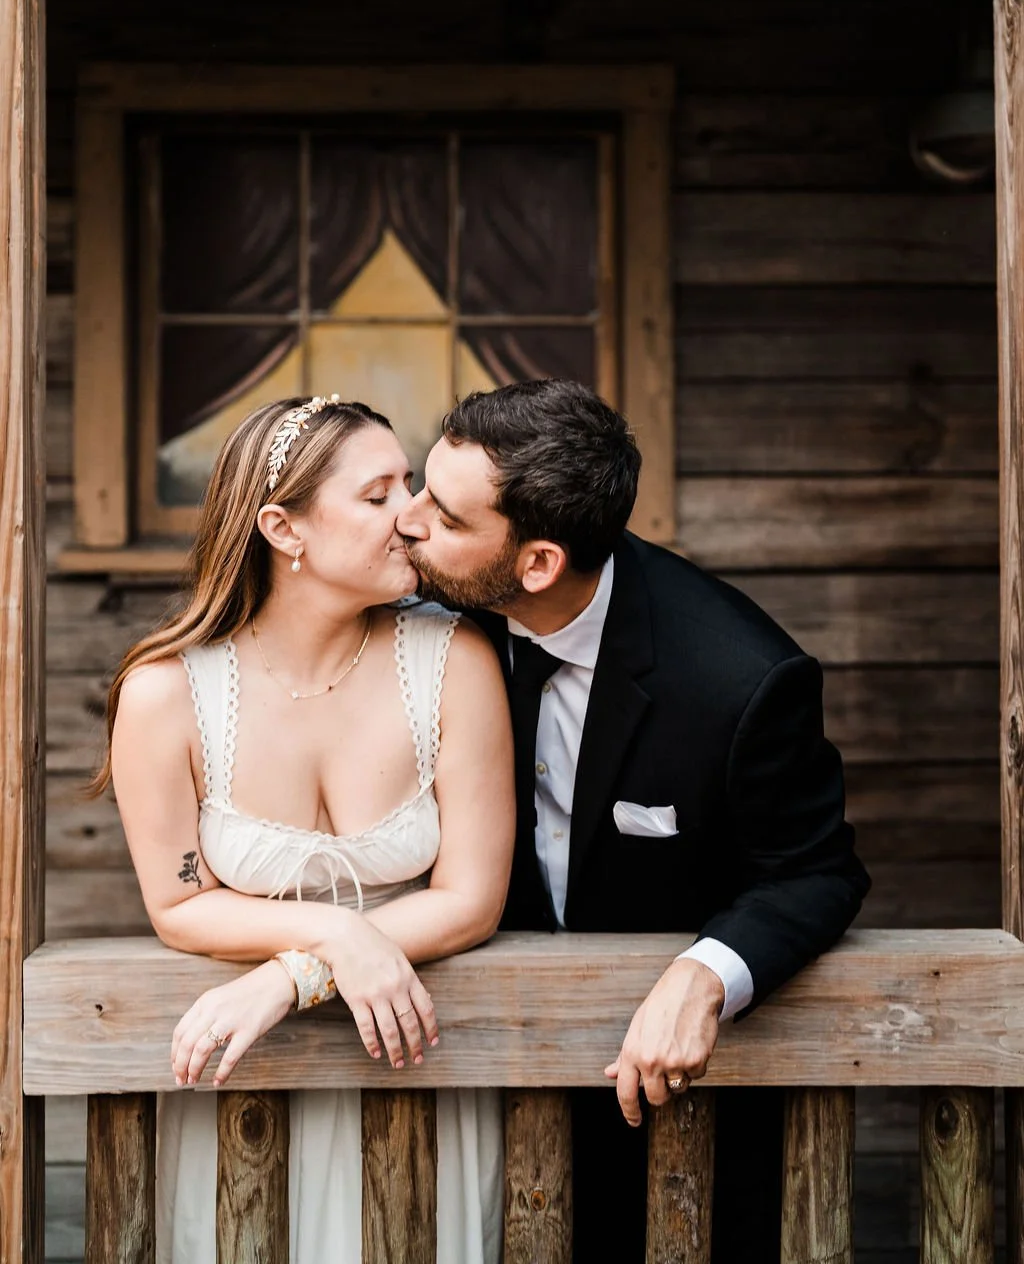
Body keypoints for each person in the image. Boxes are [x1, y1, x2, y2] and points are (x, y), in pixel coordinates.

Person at [395, 377, 871, 1264]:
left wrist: (704, 976)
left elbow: (818, 871)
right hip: (464, 1081)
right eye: (422, 487)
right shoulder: (422, 613)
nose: (410, 520)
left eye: (448, 517)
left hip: (661, 1111)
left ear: (535, 563)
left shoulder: (737, 679)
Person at [103, 395, 514, 1264]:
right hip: (247, 1097)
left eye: (410, 485)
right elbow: (180, 908)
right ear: (283, 530)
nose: (411, 516)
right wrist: (336, 933)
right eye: (377, 497)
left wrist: (292, 976)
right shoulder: (166, 696)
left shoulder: (456, 661)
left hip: (421, 1076)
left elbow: (473, 900)